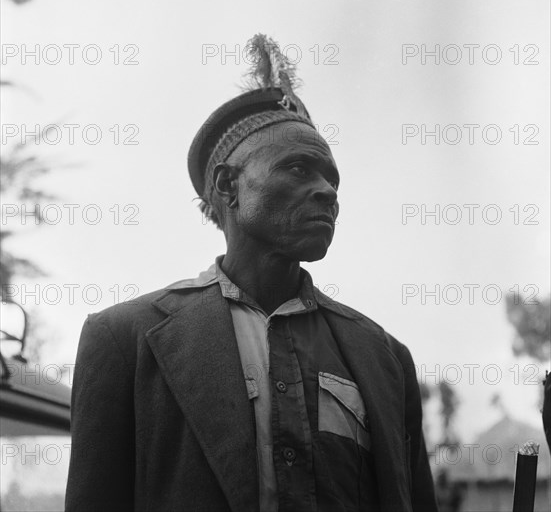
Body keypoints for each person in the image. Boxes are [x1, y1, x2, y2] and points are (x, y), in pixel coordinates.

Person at [66, 34, 438, 512]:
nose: (327, 191)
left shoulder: (385, 358)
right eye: (299, 169)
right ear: (228, 185)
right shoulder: (124, 340)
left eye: (332, 178)